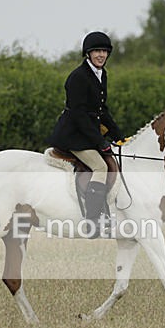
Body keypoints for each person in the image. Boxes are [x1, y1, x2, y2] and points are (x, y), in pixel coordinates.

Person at [47, 31, 122, 238]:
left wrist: (117, 134)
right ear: (87, 54)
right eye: (96, 51)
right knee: (100, 166)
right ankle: (93, 220)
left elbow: (100, 110)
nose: (101, 55)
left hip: (87, 132)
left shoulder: (101, 74)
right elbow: (79, 115)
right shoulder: (77, 77)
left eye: (104, 51)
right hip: (73, 134)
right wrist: (100, 141)